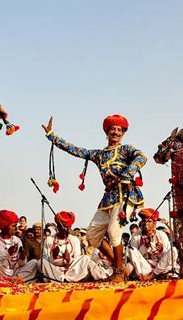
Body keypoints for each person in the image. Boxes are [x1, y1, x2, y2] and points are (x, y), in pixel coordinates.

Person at [42, 115, 147, 281]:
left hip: (126, 195)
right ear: (107, 132)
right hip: (109, 198)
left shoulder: (126, 149)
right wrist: (52, 136)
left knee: (114, 231)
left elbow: (141, 157)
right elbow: (75, 150)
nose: (116, 132)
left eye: (119, 130)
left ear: (123, 133)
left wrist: (128, 173)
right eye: (113, 129)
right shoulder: (98, 154)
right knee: (92, 235)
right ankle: (121, 268)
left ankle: (119, 272)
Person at [40, 211, 111, 282]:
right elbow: (45, 259)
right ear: (58, 227)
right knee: (40, 262)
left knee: (85, 258)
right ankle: (61, 279)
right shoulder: (48, 240)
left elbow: (77, 260)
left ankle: (67, 279)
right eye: (64, 227)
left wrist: (69, 259)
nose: (67, 230)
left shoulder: (74, 239)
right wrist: (53, 256)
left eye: (69, 227)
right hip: (54, 271)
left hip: (71, 271)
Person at [127, 209, 180, 280]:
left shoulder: (161, 234)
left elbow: (166, 257)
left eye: (149, 221)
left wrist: (161, 250)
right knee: (131, 250)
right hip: (146, 267)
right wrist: (145, 246)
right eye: (144, 221)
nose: (146, 224)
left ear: (154, 223)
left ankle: (153, 275)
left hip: (160, 267)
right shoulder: (136, 236)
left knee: (173, 250)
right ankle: (141, 276)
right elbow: (134, 256)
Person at [0, 210, 38, 282]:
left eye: (16, 226)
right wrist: (7, 253)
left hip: (14, 273)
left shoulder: (17, 240)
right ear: (4, 225)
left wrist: (22, 257)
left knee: (34, 263)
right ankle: (9, 280)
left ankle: (13, 280)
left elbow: (21, 264)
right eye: (13, 226)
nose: (16, 228)